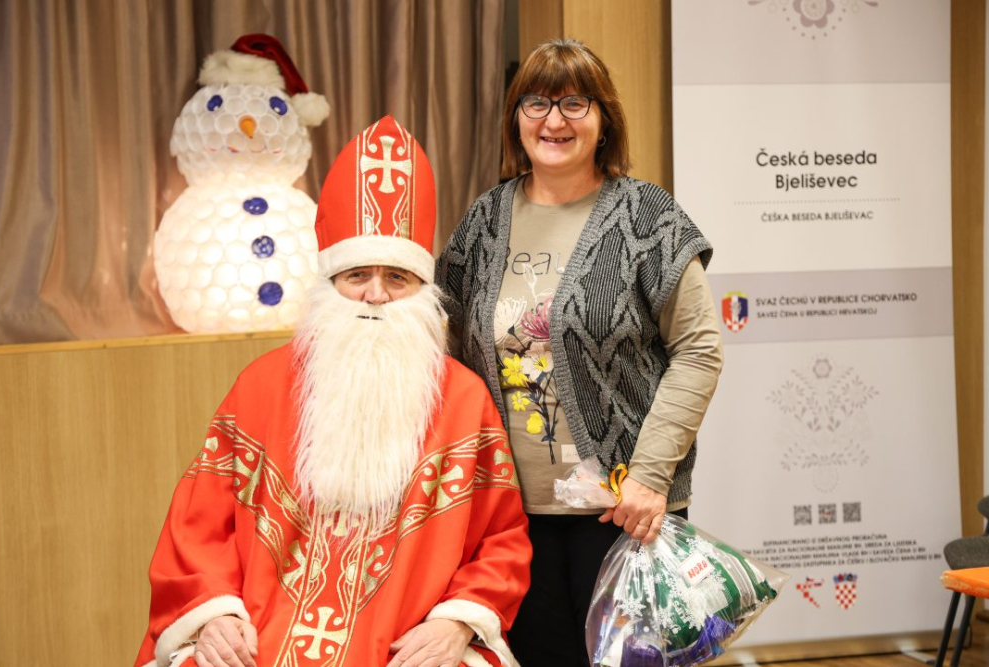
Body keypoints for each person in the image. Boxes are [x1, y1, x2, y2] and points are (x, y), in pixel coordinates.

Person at [135, 116, 531, 667]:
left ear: (422, 289)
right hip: (260, 632)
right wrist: (216, 613)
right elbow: (198, 526)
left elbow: (502, 539)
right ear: (329, 284)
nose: (375, 294)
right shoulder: (261, 385)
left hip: (402, 641)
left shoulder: (463, 400)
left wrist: (458, 622)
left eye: (397, 277)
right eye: (357, 275)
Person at [435, 39, 724, 666]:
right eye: (536, 103)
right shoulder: (485, 219)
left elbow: (699, 350)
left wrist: (650, 475)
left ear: (604, 119)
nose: (554, 121)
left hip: (625, 511)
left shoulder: (648, 216)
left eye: (574, 102)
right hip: (510, 515)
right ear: (516, 118)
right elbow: (445, 338)